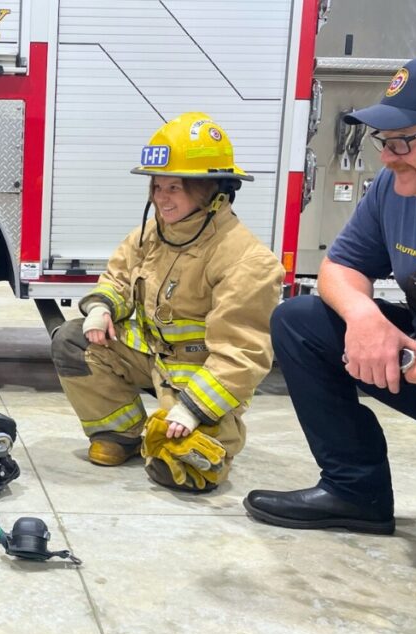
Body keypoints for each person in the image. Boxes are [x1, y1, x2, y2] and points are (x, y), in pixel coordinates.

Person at [244, 50, 416, 534]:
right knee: (301, 322)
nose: (385, 156)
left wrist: (403, 362)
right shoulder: (393, 186)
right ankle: (354, 492)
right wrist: (364, 319)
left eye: (403, 141)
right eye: (384, 140)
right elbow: (341, 265)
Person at [50, 112, 284, 492]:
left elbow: (242, 354)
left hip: (197, 379)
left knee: (185, 472)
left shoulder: (247, 260)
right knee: (72, 340)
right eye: (157, 187)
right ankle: (121, 434)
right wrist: (101, 308)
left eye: (174, 188)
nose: (161, 197)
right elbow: (119, 279)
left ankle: (197, 431)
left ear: (213, 190)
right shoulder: (151, 234)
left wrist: (192, 409)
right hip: (150, 359)